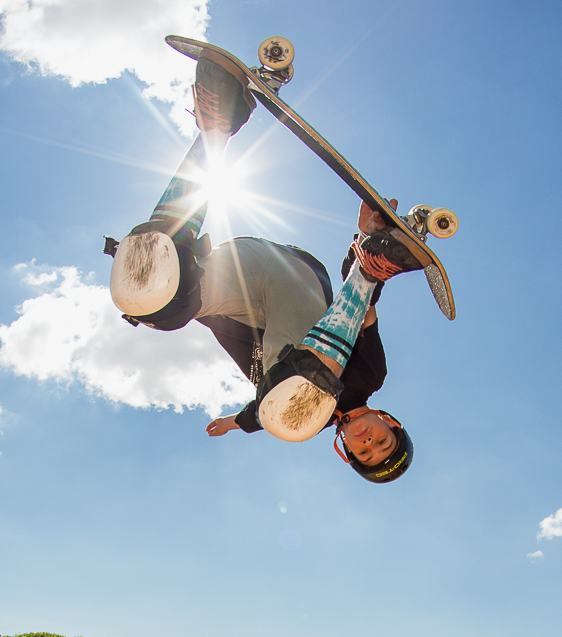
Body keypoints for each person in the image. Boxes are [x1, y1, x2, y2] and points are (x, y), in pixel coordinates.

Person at [108, 59, 418, 484]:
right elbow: (363, 314)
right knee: (296, 410)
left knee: (151, 297)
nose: (368, 441)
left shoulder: (286, 412)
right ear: (390, 422)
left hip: (238, 290)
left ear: (345, 452)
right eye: (382, 441)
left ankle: (216, 128)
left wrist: (234, 422)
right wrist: (363, 247)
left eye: (363, 451)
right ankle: (371, 263)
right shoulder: (371, 376)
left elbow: (257, 416)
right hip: (293, 280)